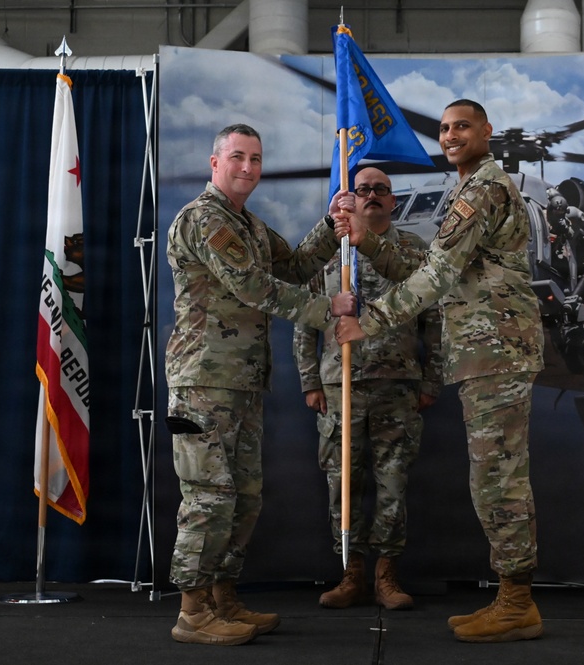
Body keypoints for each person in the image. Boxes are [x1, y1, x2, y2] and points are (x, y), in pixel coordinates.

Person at [333, 100, 545, 643]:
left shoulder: (482, 189)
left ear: (487, 132)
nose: (450, 136)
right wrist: (367, 241)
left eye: (462, 127)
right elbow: (431, 270)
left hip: (496, 348)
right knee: (491, 478)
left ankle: (517, 602)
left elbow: (438, 274)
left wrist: (371, 320)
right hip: (486, 351)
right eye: (445, 128)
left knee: (499, 479)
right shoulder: (466, 188)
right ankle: (511, 598)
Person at [164, 123, 356, 646]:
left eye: (256, 159)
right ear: (215, 162)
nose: (248, 167)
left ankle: (224, 597)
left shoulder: (246, 224)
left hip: (241, 382)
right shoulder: (206, 220)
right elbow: (252, 286)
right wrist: (326, 309)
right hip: (204, 380)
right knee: (208, 496)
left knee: (243, 497)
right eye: (238, 157)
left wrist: (332, 221)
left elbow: (291, 266)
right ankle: (192, 611)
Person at [293, 167, 443, 611]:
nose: (372, 195)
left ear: (393, 202)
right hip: (339, 386)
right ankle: (351, 573)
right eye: (363, 189)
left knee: (393, 483)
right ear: (350, 200)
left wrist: (431, 379)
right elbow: (305, 320)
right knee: (343, 482)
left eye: (381, 190)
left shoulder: (415, 251)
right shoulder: (327, 252)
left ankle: (387, 575)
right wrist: (309, 380)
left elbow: (435, 323)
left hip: (399, 387)